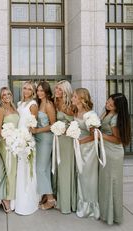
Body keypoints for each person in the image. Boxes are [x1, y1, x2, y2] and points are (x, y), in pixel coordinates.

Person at [99, 93, 131, 225]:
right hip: (105, 150)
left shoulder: (115, 119)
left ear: (118, 107)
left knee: (112, 183)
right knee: (106, 182)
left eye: (111, 104)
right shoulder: (107, 113)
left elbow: (118, 140)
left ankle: (113, 215)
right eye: (107, 102)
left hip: (113, 153)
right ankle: (105, 212)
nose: (107, 104)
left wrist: (100, 135)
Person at [71, 88, 100, 219]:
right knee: (80, 176)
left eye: (74, 97)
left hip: (88, 150)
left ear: (82, 99)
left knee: (88, 178)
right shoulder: (76, 111)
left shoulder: (90, 115)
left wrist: (80, 141)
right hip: (79, 148)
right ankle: (82, 205)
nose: (72, 99)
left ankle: (90, 208)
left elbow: (95, 136)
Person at [14, 81, 39, 215]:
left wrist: (27, 140)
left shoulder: (33, 105)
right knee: (19, 169)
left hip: (27, 139)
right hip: (17, 139)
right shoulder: (19, 104)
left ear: (33, 91)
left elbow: (32, 125)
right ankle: (18, 199)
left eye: (29, 89)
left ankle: (28, 201)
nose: (26, 91)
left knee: (27, 168)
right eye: (24, 88)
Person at [30, 81, 56, 210]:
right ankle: (46, 195)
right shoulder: (38, 103)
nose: (40, 93)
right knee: (44, 169)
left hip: (46, 139)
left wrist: (37, 131)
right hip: (37, 139)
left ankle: (51, 199)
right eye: (38, 90)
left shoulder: (49, 105)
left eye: (42, 91)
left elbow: (53, 125)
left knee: (40, 169)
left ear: (46, 92)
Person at [53, 80, 77, 214]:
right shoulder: (56, 103)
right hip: (58, 139)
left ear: (66, 91)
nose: (57, 91)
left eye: (60, 89)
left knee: (65, 169)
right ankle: (59, 199)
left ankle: (67, 203)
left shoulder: (71, 106)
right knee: (58, 168)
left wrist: (66, 127)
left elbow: (76, 122)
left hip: (67, 140)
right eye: (56, 88)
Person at [0, 87, 19, 212]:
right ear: (1, 97)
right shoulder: (1, 110)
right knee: (10, 170)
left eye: (8, 94)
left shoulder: (14, 108)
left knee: (14, 171)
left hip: (16, 143)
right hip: (6, 143)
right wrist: (7, 138)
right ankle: (7, 199)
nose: (7, 96)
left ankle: (12, 196)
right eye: (4, 95)